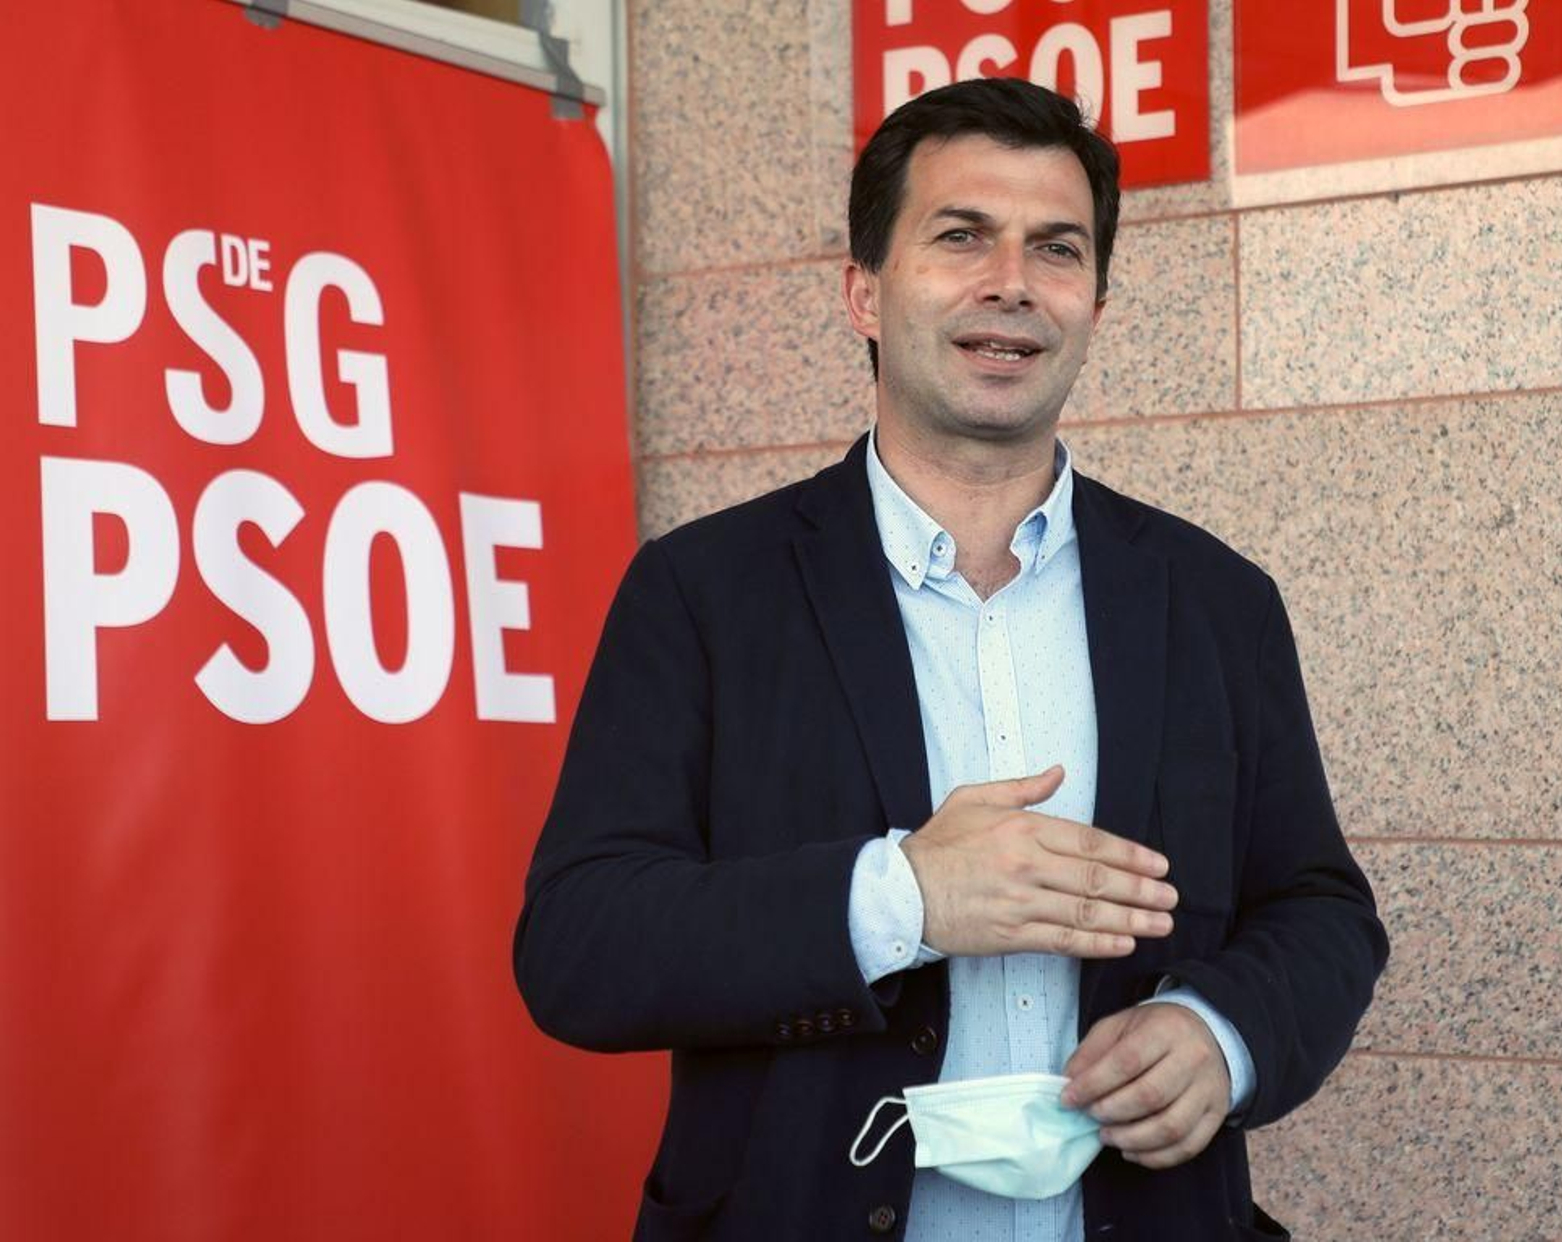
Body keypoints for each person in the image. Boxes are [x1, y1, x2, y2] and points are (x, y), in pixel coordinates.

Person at [514, 77, 1387, 1242]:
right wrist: (907, 897)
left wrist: (1222, 1034)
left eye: (1056, 249)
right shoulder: (702, 591)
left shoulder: (1215, 600)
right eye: (961, 235)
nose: (1011, 283)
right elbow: (582, 947)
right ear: (863, 292)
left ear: (1095, 303)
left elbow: (1320, 908)